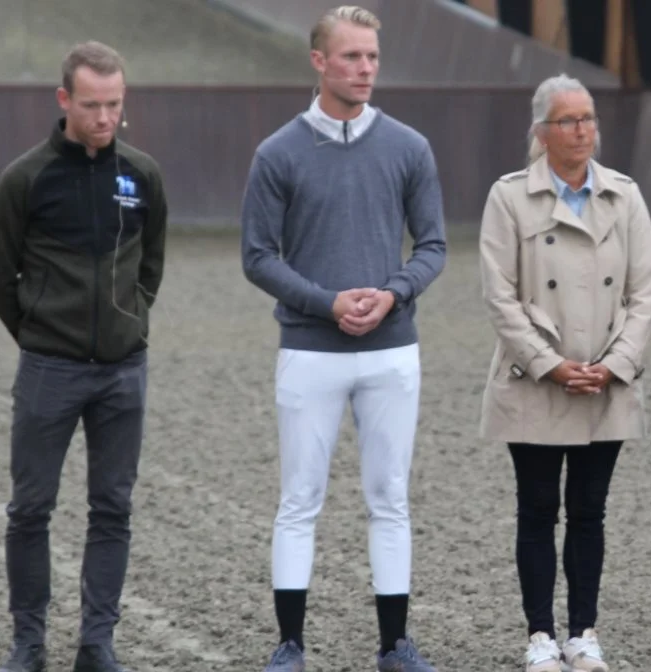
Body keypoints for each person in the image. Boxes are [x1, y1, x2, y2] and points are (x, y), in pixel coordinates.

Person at [239, 6, 446, 672]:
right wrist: (326, 303)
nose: (365, 69)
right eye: (352, 57)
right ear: (320, 61)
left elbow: (435, 245)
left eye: (372, 58)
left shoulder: (410, 148)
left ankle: (394, 646)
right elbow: (257, 256)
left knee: (390, 498)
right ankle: (290, 645)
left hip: (392, 350)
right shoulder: (277, 153)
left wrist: (394, 292)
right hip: (309, 350)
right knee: (299, 499)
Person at [0, 40, 167, 672]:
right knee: (30, 509)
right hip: (48, 371)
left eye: (115, 104)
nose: (105, 118)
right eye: (92, 105)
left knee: (112, 508)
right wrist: (39, 331)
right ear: (64, 100)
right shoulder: (25, 179)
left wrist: (132, 317)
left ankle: (96, 642)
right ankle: (28, 642)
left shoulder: (142, 175)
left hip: (123, 374)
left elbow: (153, 263)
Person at [477, 73, 651, 672]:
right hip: (536, 381)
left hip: (605, 380)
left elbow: (646, 288)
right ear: (541, 131)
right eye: (568, 120)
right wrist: (550, 364)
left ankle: (584, 632)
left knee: (589, 510)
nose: (582, 130)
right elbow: (499, 296)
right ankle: (540, 635)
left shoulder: (625, 196)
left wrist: (615, 364)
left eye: (588, 119)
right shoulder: (508, 197)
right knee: (535, 509)